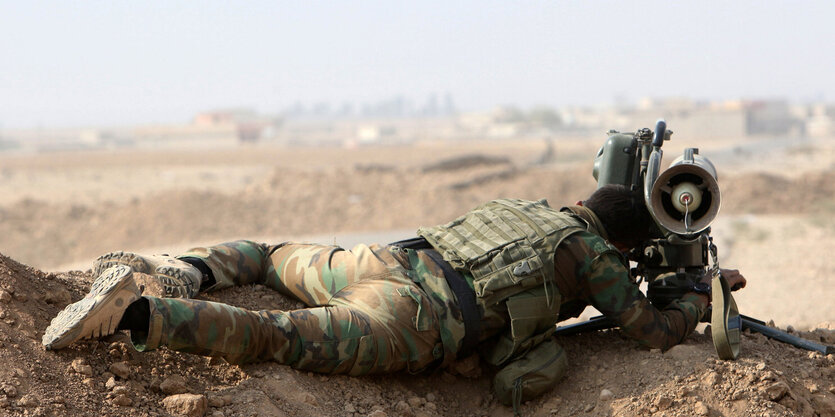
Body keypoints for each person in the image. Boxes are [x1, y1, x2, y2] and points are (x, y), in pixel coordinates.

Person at [42, 185, 746, 409]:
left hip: (382, 259)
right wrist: (696, 298)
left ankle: (184, 269)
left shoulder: (533, 209)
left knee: (269, 255)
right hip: (411, 319)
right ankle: (140, 311)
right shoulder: (591, 255)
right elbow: (651, 332)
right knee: (279, 336)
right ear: (621, 240)